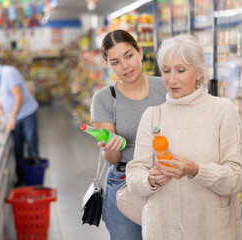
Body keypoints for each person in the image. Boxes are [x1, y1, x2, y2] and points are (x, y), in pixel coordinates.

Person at [126, 35, 242, 240]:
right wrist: (150, 179)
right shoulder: (152, 115)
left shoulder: (222, 111)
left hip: (212, 230)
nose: (171, 79)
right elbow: (134, 176)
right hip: (162, 230)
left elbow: (237, 177)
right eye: (166, 71)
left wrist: (196, 170)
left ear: (199, 71)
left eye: (181, 70)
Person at [90, 29, 167, 239]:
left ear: (139, 51)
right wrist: (109, 147)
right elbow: (112, 159)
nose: (125, 66)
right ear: (107, 64)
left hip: (166, 179)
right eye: (115, 62)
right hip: (124, 182)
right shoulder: (104, 99)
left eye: (129, 56)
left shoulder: (166, 87)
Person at [0, 64, 39, 186]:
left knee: (31, 146)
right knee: (18, 148)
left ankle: (34, 180)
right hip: (14, 117)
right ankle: (21, 180)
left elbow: (19, 96)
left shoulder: (8, 73)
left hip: (27, 113)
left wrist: (12, 117)